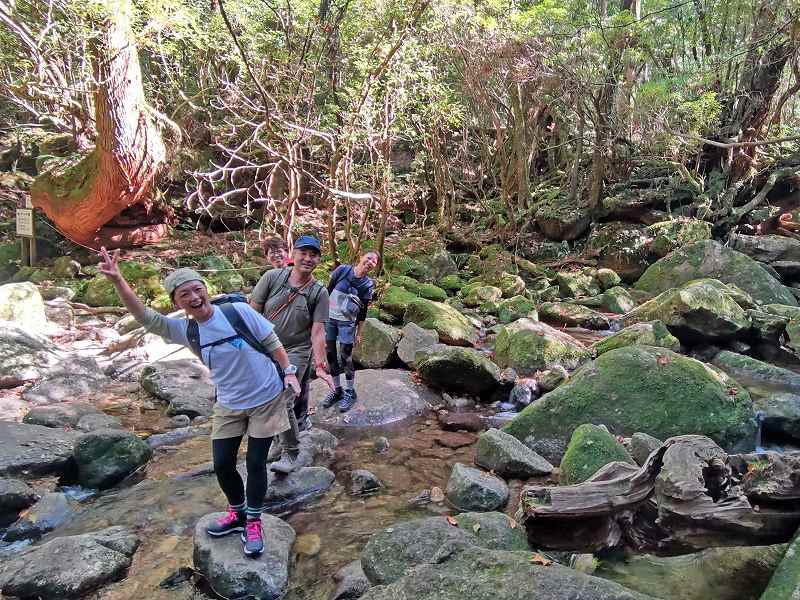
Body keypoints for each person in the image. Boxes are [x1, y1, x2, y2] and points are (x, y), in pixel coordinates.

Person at [98, 248, 299, 558]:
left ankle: (254, 521)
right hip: (229, 402)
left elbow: (273, 343)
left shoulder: (236, 312)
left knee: (257, 463)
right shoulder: (185, 330)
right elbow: (146, 319)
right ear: (176, 303)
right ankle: (237, 513)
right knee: (221, 463)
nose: (194, 296)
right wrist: (118, 280)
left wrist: (288, 373)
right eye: (184, 294)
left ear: (207, 290)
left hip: (265, 397)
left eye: (197, 289)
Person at [250, 235, 334, 473]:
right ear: (293, 254)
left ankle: (291, 452)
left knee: (282, 398)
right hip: (267, 347)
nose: (307, 258)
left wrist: (320, 365)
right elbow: (253, 313)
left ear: (318, 259)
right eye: (303, 253)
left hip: (297, 350)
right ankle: (277, 442)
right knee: (264, 398)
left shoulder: (319, 293)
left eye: (313, 255)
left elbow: (318, 332)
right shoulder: (272, 278)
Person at [322, 250, 379, 412]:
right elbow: (327, 291)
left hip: (347, 324)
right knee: (331, 355)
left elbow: (363, 311)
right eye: (368, 258)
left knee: (345, 357)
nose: (370, 262)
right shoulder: (342, 270)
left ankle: (350, 392)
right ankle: (337, 390)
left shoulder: (367, 284)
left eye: (374, 262)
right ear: (361, 257)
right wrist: (318, 318)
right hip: (329, 320)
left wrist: (359, 333)